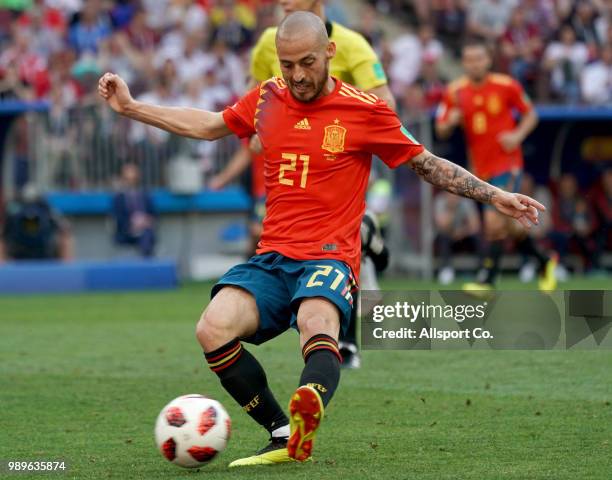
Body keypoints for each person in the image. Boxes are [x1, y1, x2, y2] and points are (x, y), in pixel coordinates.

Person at [98, 11, 544, 467]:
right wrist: (133, 108)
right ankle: (282, 433)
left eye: (307, 63)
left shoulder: (364, 110)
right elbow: (209, 125)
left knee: (316, 321)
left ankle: (309, 400)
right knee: (211, 328)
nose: (297, 75)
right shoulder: (267, 97)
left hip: (328, 256)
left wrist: (495, 196)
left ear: (330, 52)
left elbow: (426, 162)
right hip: (272, 256)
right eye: (287, 64)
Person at [210, 0, 397, 368]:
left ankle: (347, 342)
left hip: (342, 156)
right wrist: (257, 132)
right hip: (288, 163)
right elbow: (254, 96)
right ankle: (365, 235)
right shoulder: (269, 41)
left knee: (336, 245)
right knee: (290, 239)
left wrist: (355, 128)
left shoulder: (352, 43)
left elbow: (384, 100)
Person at [436, 39, 556, 292]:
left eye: (479, 58)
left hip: (508, 163)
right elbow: (441, 128)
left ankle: (487, 280)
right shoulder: (455, 91)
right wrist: (450, 122)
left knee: (493, 222)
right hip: (480, 168)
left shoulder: (506, 85)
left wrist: (517, 136)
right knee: (512, 225)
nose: (474, 64)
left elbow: (531, 114)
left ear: (488, 60)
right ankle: (545, 261)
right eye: (469, 59)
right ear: (463, 62)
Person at [0, 184, 73, 262]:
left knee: (66, 238)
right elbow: (65, 226)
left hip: (41, 252)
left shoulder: (46, 209)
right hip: (21, 253)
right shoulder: (14, 209)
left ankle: (67, 270)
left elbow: (64, 227)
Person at [111, 163, 156, 257]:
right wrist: (132, 225)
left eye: (133, 179)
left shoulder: (145, 196)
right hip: (126, 232)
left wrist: (146, 221)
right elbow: (118, 218)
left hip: (145, 230)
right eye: (127, 179)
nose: (130, 182)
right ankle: (146, 264)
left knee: (147, 235)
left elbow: (154, 214)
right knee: (146, 237)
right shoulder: (119, 198)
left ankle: (146, 262)